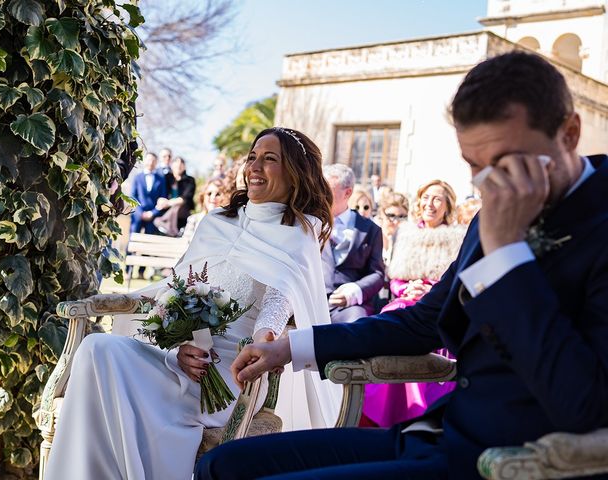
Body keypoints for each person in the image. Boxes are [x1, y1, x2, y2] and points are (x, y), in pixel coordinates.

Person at [197, 52, 608, 480]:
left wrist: (506, 258)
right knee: (222, 466)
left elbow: (586, 404)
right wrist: (289, 347)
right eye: (475, 167)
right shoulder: (495, 214)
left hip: (507, 463)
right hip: (433, 436)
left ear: (570, 133)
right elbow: (421, 324)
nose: (491, 185)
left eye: (506, 163)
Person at [45, 127, 342, 480]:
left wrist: (265, 341)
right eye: (252, 157)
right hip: (177, 355)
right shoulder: (216, 222)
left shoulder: (300, 232)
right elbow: (175, 291)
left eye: (270, 159)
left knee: (101, 353)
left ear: (294, 172)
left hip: (226, 372)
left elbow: (279, 303)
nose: (255, 167)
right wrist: (177, 347)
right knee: (96, 349)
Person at [363, 180, 466, 428]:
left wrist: (429, 291)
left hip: (438, 306)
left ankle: (422, 412)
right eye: (426, 197)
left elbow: (457, 282)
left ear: (447, 205)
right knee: (393, 314)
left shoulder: (457, 237)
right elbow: (395, 278)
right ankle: (384, 411)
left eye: (438, 199)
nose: (430, 204)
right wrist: (408, 288)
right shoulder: (407, 233)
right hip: (405, 301)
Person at [323, 164, 384, 324]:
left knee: (357, 324)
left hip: (348, 308)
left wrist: (355, 291)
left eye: (327, 189)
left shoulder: (371, 229)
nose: (321, 194)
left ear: (347, 192)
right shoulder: (308, 223)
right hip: (310, 301)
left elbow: (377, 274)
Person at [176, 178, 226, 257]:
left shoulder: (227, 222)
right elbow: (184, 246)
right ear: (203, 197)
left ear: (224, 198)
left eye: (218, 194)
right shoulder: (193, 219)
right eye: (209, 194)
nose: (213, 197)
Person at [154, 156, 197, 236]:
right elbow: (160, 192)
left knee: (176, 206)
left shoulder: (190, 180)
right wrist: (161, 200)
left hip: (183, 209)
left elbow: (185, 198)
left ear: (184, 167)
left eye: (181, 165)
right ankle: (170, 228)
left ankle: (168, 228)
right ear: (172, 165)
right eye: (176, 165)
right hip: (166, 208)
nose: (178, 167)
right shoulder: (166, 177)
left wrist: (168, 203)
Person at [129, 152, 168, 235]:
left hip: (153, 217)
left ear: (156, 163)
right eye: (149, 160)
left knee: (149, 242)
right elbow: (133, 196)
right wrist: (140, 213)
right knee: (132, 241)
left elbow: (163, 198)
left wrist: (152, 213)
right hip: (137, 215)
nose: (151, 162)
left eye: (154, 161)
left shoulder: (161, 179)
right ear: (145, 161)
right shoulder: (137, 177)